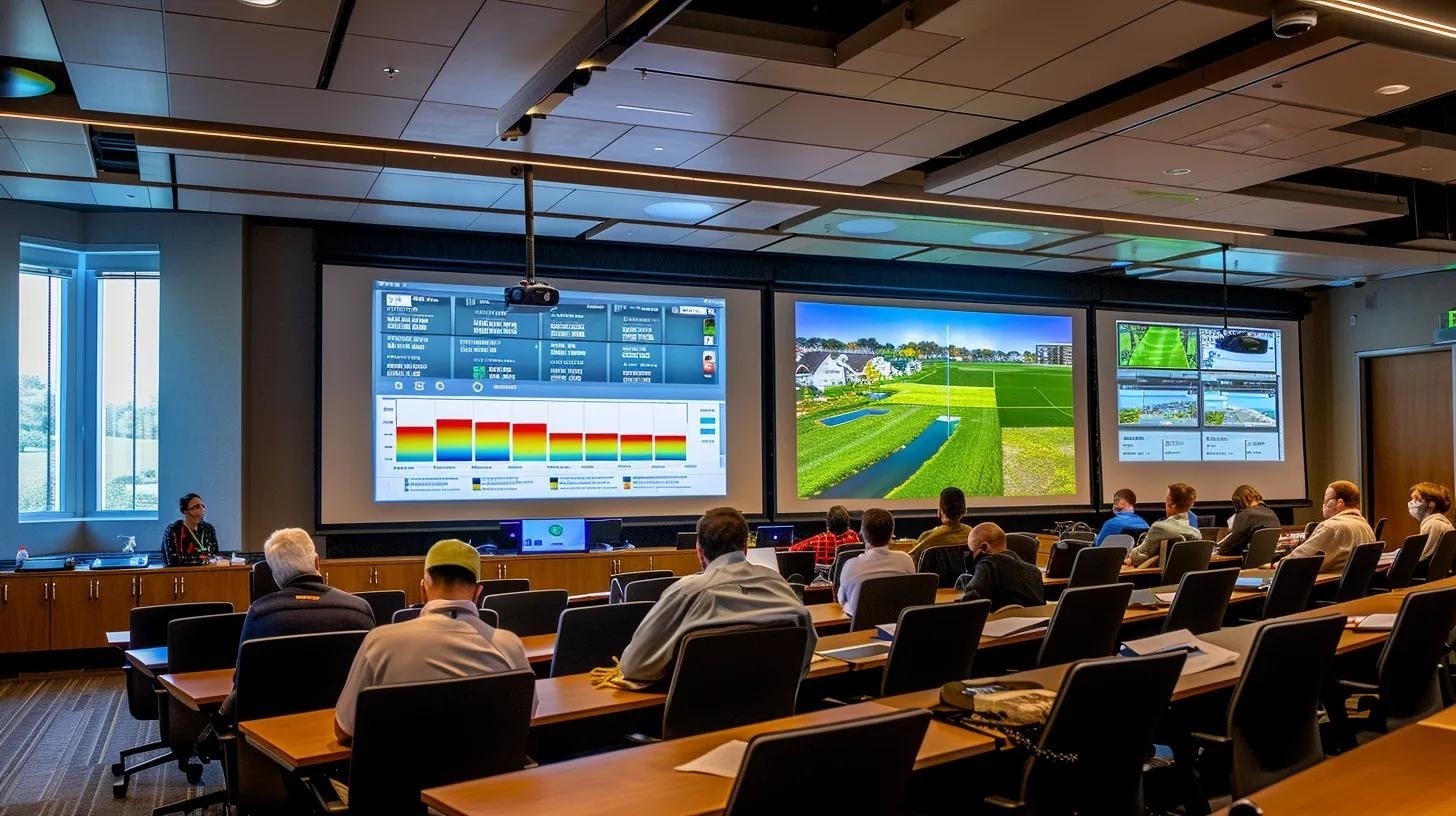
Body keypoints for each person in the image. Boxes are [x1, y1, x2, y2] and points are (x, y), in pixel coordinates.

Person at [334, 539, 534, 743]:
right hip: (490, 773)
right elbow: (528, 714)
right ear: (477, 593)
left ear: (423, 589)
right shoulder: (510, 646)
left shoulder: (380, 644)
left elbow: (344, 729)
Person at [618, 507, 816, 684]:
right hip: (774, 719)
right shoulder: (778, 584)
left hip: (695, 721)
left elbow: (633, 666)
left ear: (699, 551)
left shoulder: (685, 592)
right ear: (745, 549)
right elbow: (806, 652)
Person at [215, 528, 374, 724]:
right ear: (317, 561)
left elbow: (242, 683)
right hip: (345, 727)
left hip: (270, 732)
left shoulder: (260, 614)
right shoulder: (359, 609)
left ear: (275, 575)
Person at [837, 508, 914, 617]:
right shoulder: (906, 560)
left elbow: (841, 600)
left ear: (862, 533)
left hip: (860, 630)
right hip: (896, 627)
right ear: (892, 534)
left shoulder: (851, 565)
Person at [1288, 480, 1375, 573]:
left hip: (1327, 585)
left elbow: (1297, 561)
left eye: (1326, 501)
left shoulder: (1332, 527)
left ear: (1340, 503)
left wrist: (1273, 565)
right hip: (1353, 586)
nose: (1323, 505)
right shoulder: (1366, 527)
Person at [956, 522, 1044, 611]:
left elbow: (970, 600)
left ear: (984, 547)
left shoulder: (988, 564)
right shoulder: (1035, 571)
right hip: (1035, 623)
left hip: (1002, 622)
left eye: (972, 551)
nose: (971, 557)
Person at [1126, 483, 1199, 566]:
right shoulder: (1196, 534)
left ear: (1172, 504)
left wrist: (1131, 554)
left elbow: (1139, 557)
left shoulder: (1159, 528)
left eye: (1167, 499)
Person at [1214, 484, 1281, 558]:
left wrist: (1219, 550)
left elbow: (1232, 544)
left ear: (1239, 503)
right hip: (1268, 563)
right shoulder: (1272, 513)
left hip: (1246, 564)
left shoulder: (1246, 514)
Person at [789, 504, 861, 566]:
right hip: (845, 579)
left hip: (823, 579)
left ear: (828, 524)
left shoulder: (819, 539)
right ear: (847, 523)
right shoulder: (854, 538)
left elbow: (792, 549)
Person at [908, 487, 970, 557]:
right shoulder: (970, 534)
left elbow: (913, 559)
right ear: (963, 510)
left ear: (940, 511)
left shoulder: (927, 538)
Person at [161, 493, 219, 566]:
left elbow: (214, 554)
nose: (202, 509)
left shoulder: (208, 529)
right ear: (186, 511)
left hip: (206, 572)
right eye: (197, 507)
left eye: (203, 506)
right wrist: (199, 559)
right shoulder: (173, 530)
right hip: (181, 574)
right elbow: (173, 560)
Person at [1409, 481, 1454, 562]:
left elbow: (1423, 558)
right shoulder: (1441, 521)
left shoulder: (1433, 524)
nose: (1412, 503)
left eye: (1417, 499)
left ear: (1431, 504)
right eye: (1412, 499)